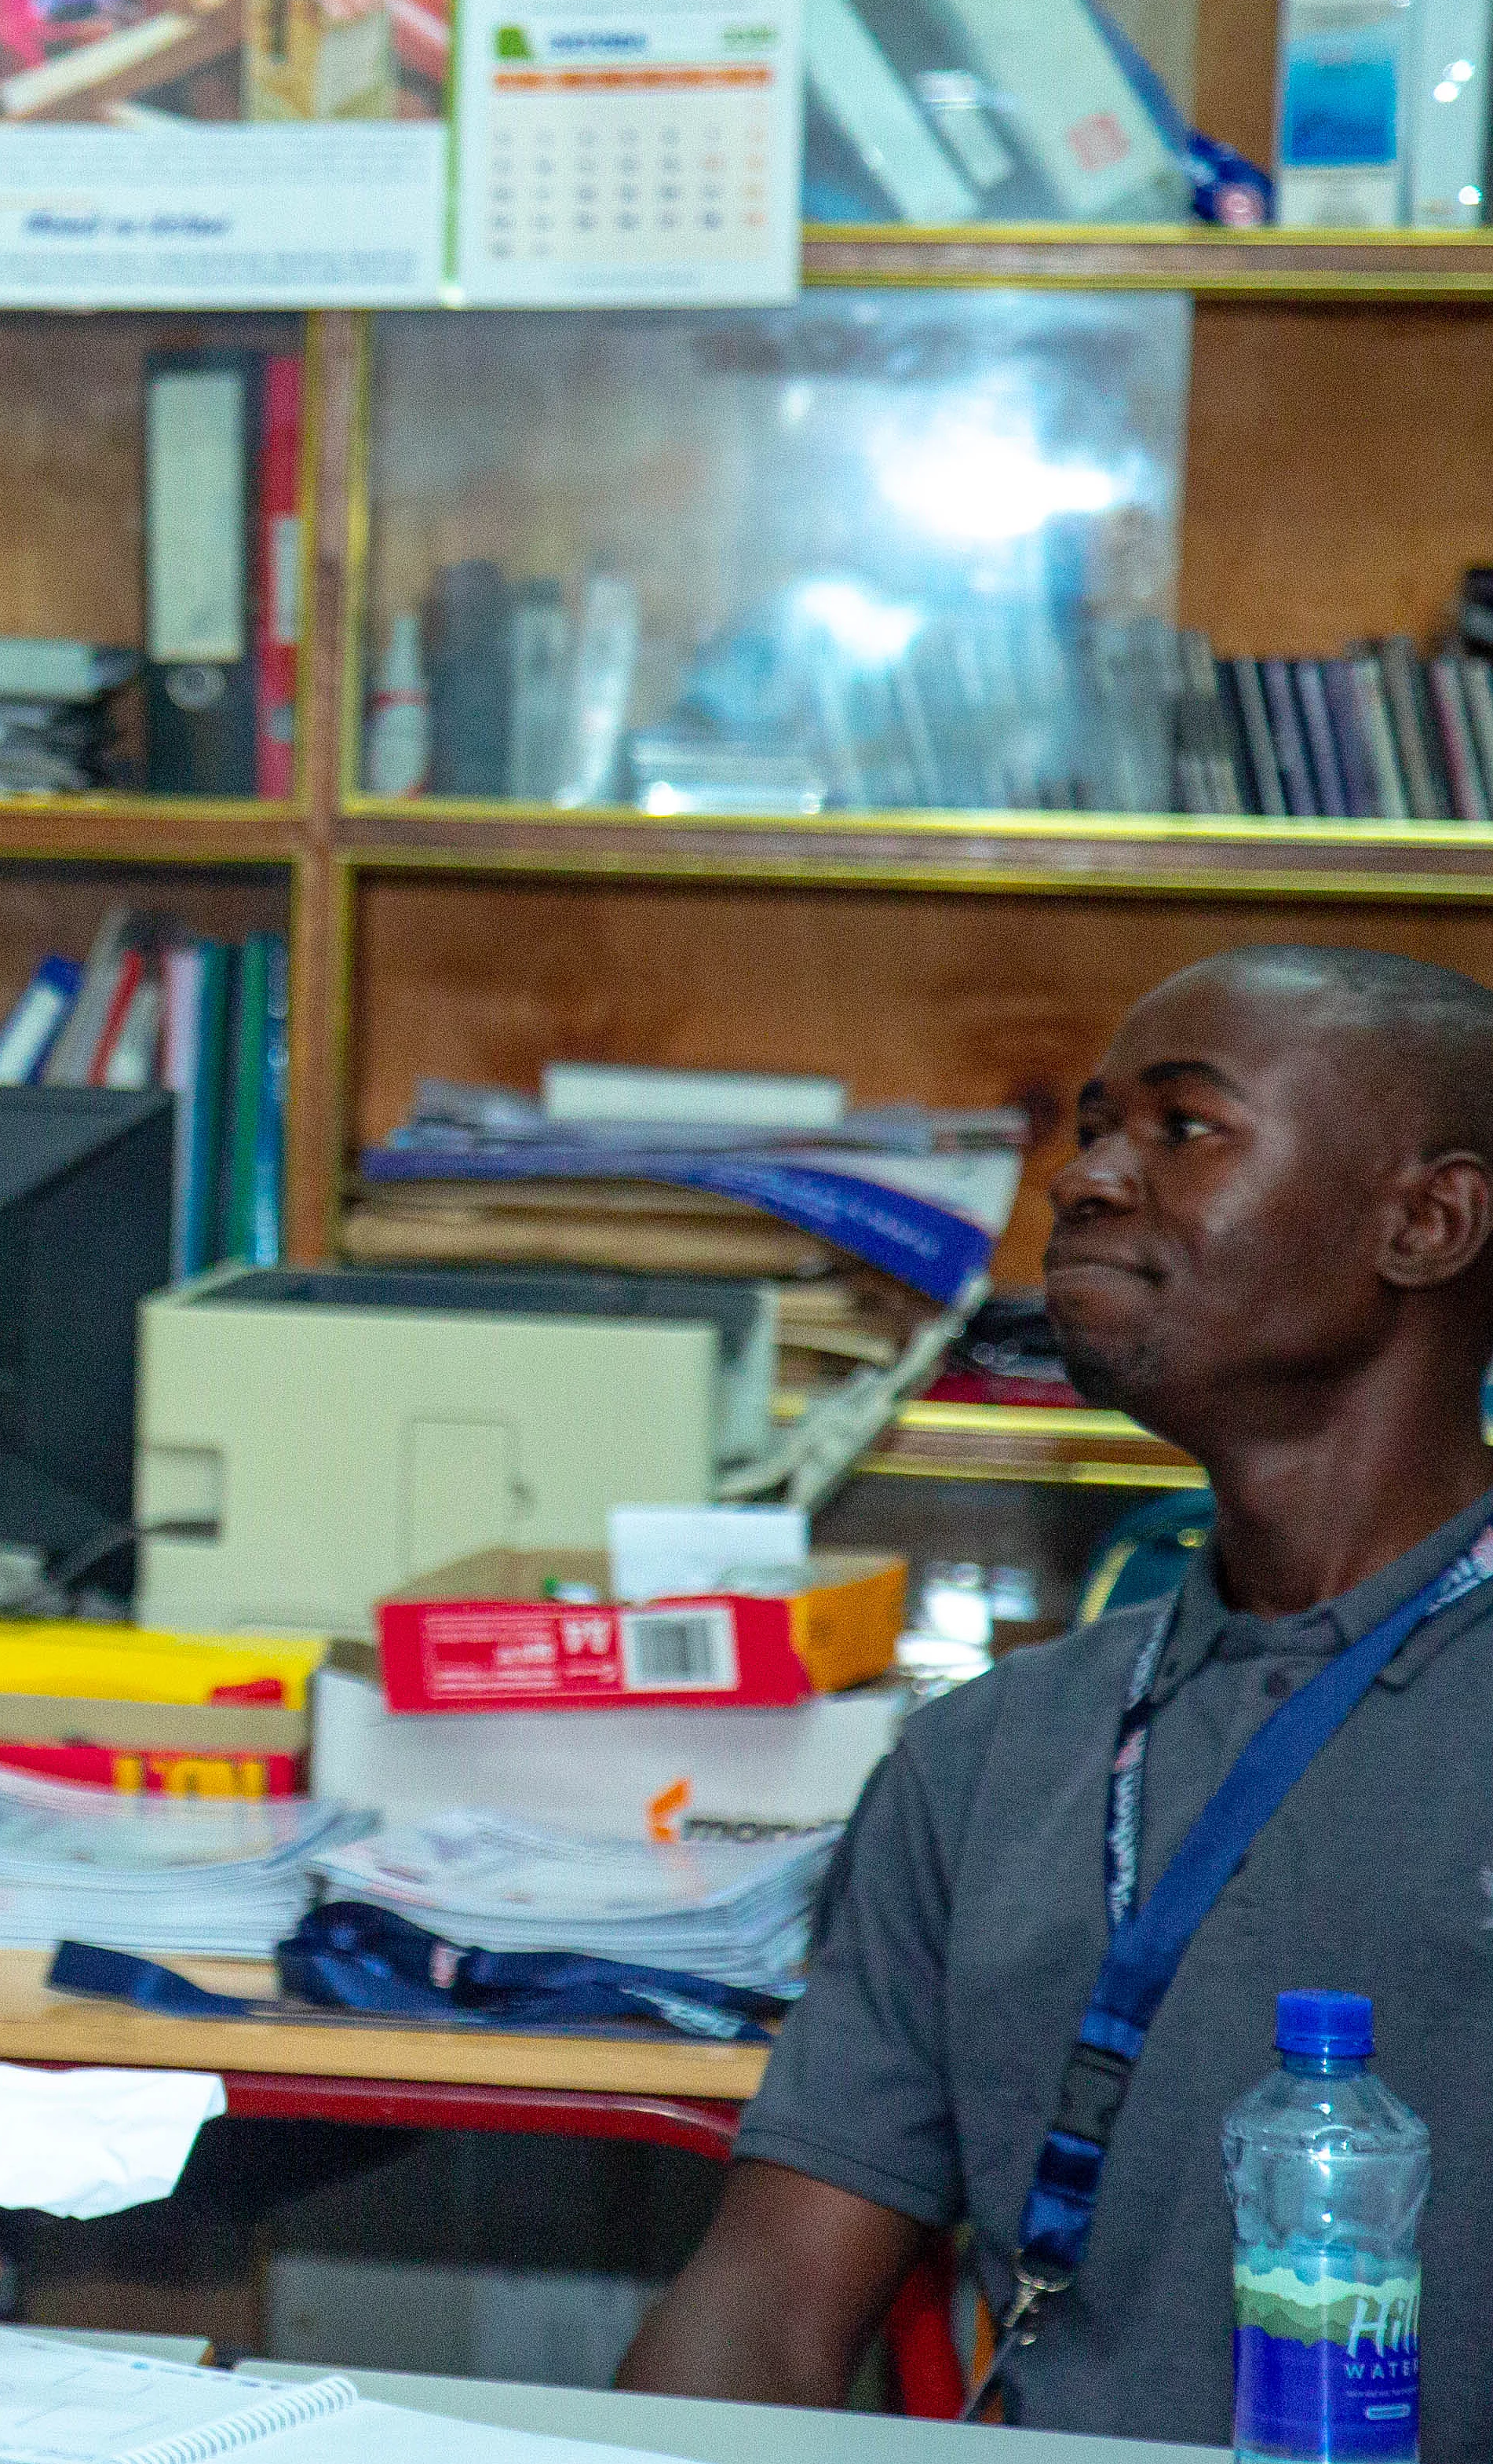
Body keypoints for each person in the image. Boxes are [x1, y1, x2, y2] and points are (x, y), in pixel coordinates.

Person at [618, 947, 1493, 2441]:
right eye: (1091, 1129)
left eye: (1181, 1129)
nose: (1082, 1180)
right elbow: (767, 2302)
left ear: (1425, 1220)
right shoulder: (986, 1755)